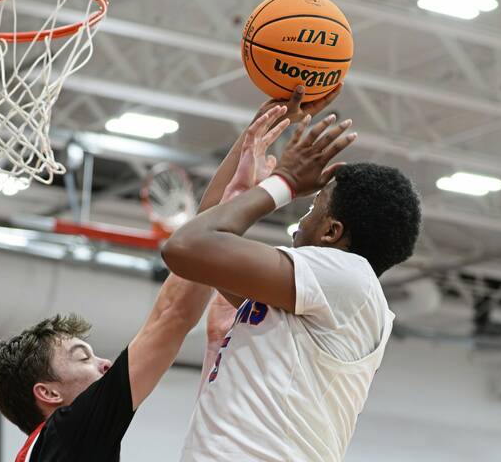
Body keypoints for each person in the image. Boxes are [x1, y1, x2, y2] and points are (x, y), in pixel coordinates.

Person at [0, 85, 343, 462]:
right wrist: (275, 184)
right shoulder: (71, 432)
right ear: (49, 394)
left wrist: (252, 143)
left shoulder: (40, 452)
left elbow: (192, 292)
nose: (104, 364)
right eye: (81, 357)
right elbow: (171, 313)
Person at [162, 103, 422, 461]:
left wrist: (283, 182)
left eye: (314, 207)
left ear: (332, 231)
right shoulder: (321, 295)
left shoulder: (349, 279)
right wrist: (256, 135)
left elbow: (186, 247)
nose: (302, 219)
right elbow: (199, 247)